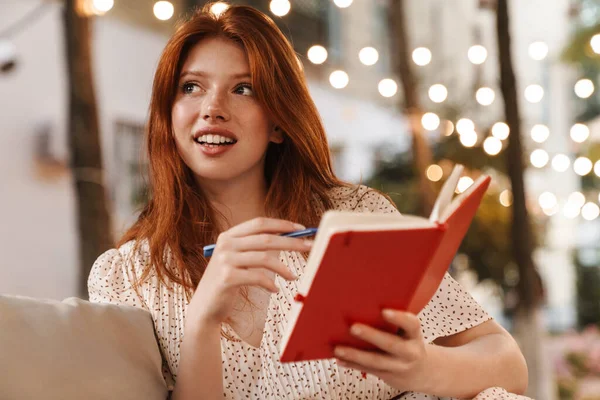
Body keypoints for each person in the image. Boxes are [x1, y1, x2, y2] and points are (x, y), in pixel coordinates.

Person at [88, 3, 531, 399]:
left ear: (278, 122)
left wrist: (421, 366)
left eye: (244, 89)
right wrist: (202, 320)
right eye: (191, 87)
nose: (213, 108)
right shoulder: (127, 277)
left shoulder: (354, 218)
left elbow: (508, 364)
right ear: (168, 116)